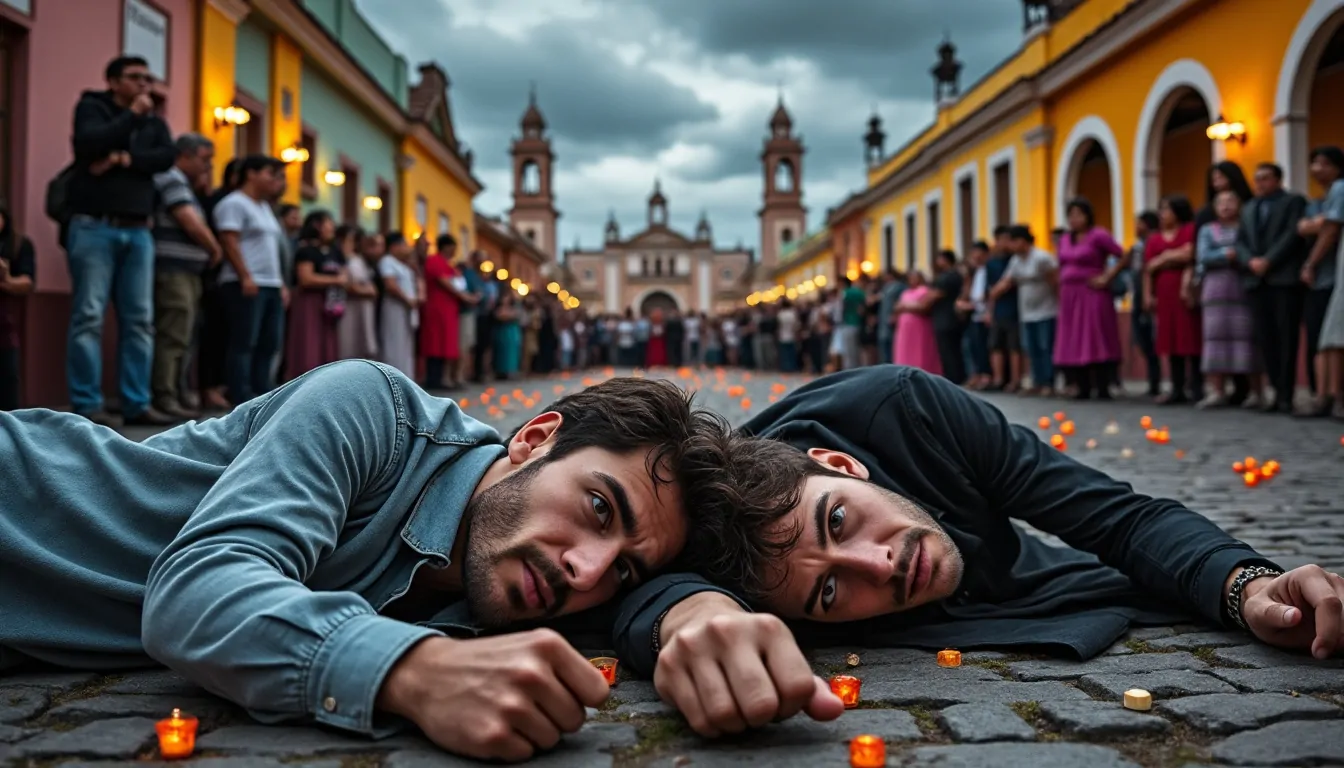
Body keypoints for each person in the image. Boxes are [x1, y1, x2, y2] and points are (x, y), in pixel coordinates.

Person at [0, 362, 753, 762]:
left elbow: (644, 605)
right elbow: (198, 590)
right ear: (533, 437)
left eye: (622, 569)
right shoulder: (371, 410)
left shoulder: (524, 580)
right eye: (597, 508)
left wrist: (696, 609)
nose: (586, 572)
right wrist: (412, 672)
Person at [611, 366, 1344, 738]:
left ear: (839, 465)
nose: (879, 566)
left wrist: (1246, 585)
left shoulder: (908, 409)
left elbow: (1115, 520)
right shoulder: (730, 560)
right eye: (829, 595)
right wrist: (689, 612)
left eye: (840, 522)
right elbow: (640, 593)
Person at [66, 56, 177, 428]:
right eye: (135, 78)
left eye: (148, 78)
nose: (145, 85)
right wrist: (129, 117)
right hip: (94, 227)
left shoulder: (154, 122)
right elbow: (87, 144)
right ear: (114, 82)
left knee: (140, 321)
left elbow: (165, 157)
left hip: (139, 231)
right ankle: (86, 403)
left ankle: (136, 404)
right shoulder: (92, 107)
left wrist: (123, 158)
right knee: (89, 316)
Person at [150, 133, 221, 420]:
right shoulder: (171, 178)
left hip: (187, 270)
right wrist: (214, 248)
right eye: (204, 160)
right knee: (174, 333)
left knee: (183, 334)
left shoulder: (188, 185)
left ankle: (175, 392)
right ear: (185, 155)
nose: (208, 167)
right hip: (173, 268)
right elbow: (189, 222)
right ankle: (165, 395)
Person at [214, 155, 289, 406]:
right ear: (251, 174)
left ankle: (263, 392)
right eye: (270, 173)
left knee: (269, 341)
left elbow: (271, 249)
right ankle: (241, 394)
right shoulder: (234, 203)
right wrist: (245, 275)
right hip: (244, 282)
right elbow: (229, 240)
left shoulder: (265, 207)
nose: (276, 181)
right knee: (244, 341)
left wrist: (281, 285)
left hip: (271, 284)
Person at [1238, 163, 1309, 414]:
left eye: (1265, 178)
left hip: (1283, 279)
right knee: (1266, 339)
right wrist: (1250, 260)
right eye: (1257, 179)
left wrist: (1269, 260)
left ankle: (1287, 394)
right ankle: (1276, 390)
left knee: (1286, 337)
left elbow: (1292, 234)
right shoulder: (1248, 208)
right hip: (1257, 282)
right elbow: (1241, 240)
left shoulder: (1293, 202)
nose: (1260, 184)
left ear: (1278, 180)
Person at [1054, 198, 1126, 400]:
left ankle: (1102, 385)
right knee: (1074, 338)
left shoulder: (1099, 235)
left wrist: (1107, 277)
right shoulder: (1065, 239)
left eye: (1079, 214)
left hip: (1092, 292)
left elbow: (1123, 255)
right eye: (1071, 215)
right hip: (1070, 295)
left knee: (1096, 335)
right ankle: (1081, 385)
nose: (1074, 219)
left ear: (1088, 215)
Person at [1197, 191, 1262, 408]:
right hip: (1215, 291)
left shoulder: (1246, 229)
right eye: (1221, 203)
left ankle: (1256, 392)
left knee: (1248, 337)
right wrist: (1226, 254)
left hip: (1242, 289)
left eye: (1231, 201)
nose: (1226, 206)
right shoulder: (1207, 230)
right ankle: (1217, 390)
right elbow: (1203, 256)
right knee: (1215, 337)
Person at [1144, 195, 1201, 404]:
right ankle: (1177, 387)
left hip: (1184, 291)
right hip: (1164, 293)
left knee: (1191, 337)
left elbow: (1191, 254)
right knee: (1170, 340)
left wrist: (1164, 258)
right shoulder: (1155, 238)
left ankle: (1197, 386)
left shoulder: (1190, 230)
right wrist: (1148, 294)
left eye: (1167, 209)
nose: (1162, 214)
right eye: (1161, 210)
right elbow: (1148, 269)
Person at [1300, 147, 1344, 419]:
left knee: (1335, 332)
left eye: (1323, 163)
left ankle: (1333, 396)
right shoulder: (1327, 196)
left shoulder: (1339, 189)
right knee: (1330, 333)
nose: (1316, 169)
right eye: (1314, 163)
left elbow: (1329, 229)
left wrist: (1310, 263)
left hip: (1334, 269)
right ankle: (1327, 395)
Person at [990, 226, 1058, 395]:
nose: (1011, 245)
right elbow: (1007, 280)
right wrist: (993, 293)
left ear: (1023, 241)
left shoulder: (1042, 258)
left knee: (1045, 347)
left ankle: (1049, 383)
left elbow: (1055, 282)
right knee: (1031, 348)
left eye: (1013, 240)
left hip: (1046, 310)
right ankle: (1037, 381)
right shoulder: (1016, 260)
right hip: (1027, 312)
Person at [285, 211, 347, 381]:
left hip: (331, 304)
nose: (332, 227)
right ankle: (303, 380)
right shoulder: (306, 251)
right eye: (328, 223)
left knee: (327, 345)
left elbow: (344, 274)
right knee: (308, 343)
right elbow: (306, 278)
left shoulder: (335, 251)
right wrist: (335, 280)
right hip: (309, 302)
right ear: (316, 226)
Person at [0, 206, 35, 411]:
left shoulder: (18, 244)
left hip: (5, 325)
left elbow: (27, 282)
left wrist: (5, 280)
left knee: (7, 380)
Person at [420, 234, 464, 390]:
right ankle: (433, 379)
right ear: (446, 247)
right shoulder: (434, 261)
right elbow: (446, 282)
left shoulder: (450, 265)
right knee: (435, 344)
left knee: (446, 344)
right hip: (437, 309)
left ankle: (443, 378)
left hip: (449, 310)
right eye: (453, 248)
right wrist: (465, 296)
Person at [1128, 212, 1163, 398]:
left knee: (1152, 340)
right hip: (1137, 298)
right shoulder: (1136, 247)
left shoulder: (1153, 243)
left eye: (1139, 223)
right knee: (1143, 341)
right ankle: (1152, 381)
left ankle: (1156, 382)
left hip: (1148, 298)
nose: (1135, 227)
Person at [378, 232, 420, 378]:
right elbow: (390, 285)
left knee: (405, 348)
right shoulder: (387, 261)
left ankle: (405, 379)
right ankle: (392, 379)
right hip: (395, 308)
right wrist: (407, 299)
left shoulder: (404, 265)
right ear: (394, 246)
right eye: (404, 245)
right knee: (394, 345)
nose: (406, 248)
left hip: (406, 310)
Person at [337, 228, 380, 361]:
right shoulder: (346, 261)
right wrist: (367, 291)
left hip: (364, 308)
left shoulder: (361, 261)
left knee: (362, 344)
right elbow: (349, 285)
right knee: (349, 344)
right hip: (350, 308)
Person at [892, 271, 940, 375]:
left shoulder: (925, 290)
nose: (912, 280)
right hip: (905, 328)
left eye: (915, 277)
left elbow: (924, 306)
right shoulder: (906, 292)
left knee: (919, 350)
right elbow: (897, 306)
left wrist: (906, 307)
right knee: (904, 350)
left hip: (919, 326)